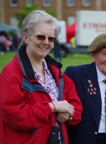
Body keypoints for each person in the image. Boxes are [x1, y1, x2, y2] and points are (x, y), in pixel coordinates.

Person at [0, 10, 83, 144]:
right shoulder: (12, 72)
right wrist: (52, 107)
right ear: (26, 38)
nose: (46, 42)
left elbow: (76, 108)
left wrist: (69, 115)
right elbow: (14, 116)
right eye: (40, 37)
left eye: (51, 38)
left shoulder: (56, 72)